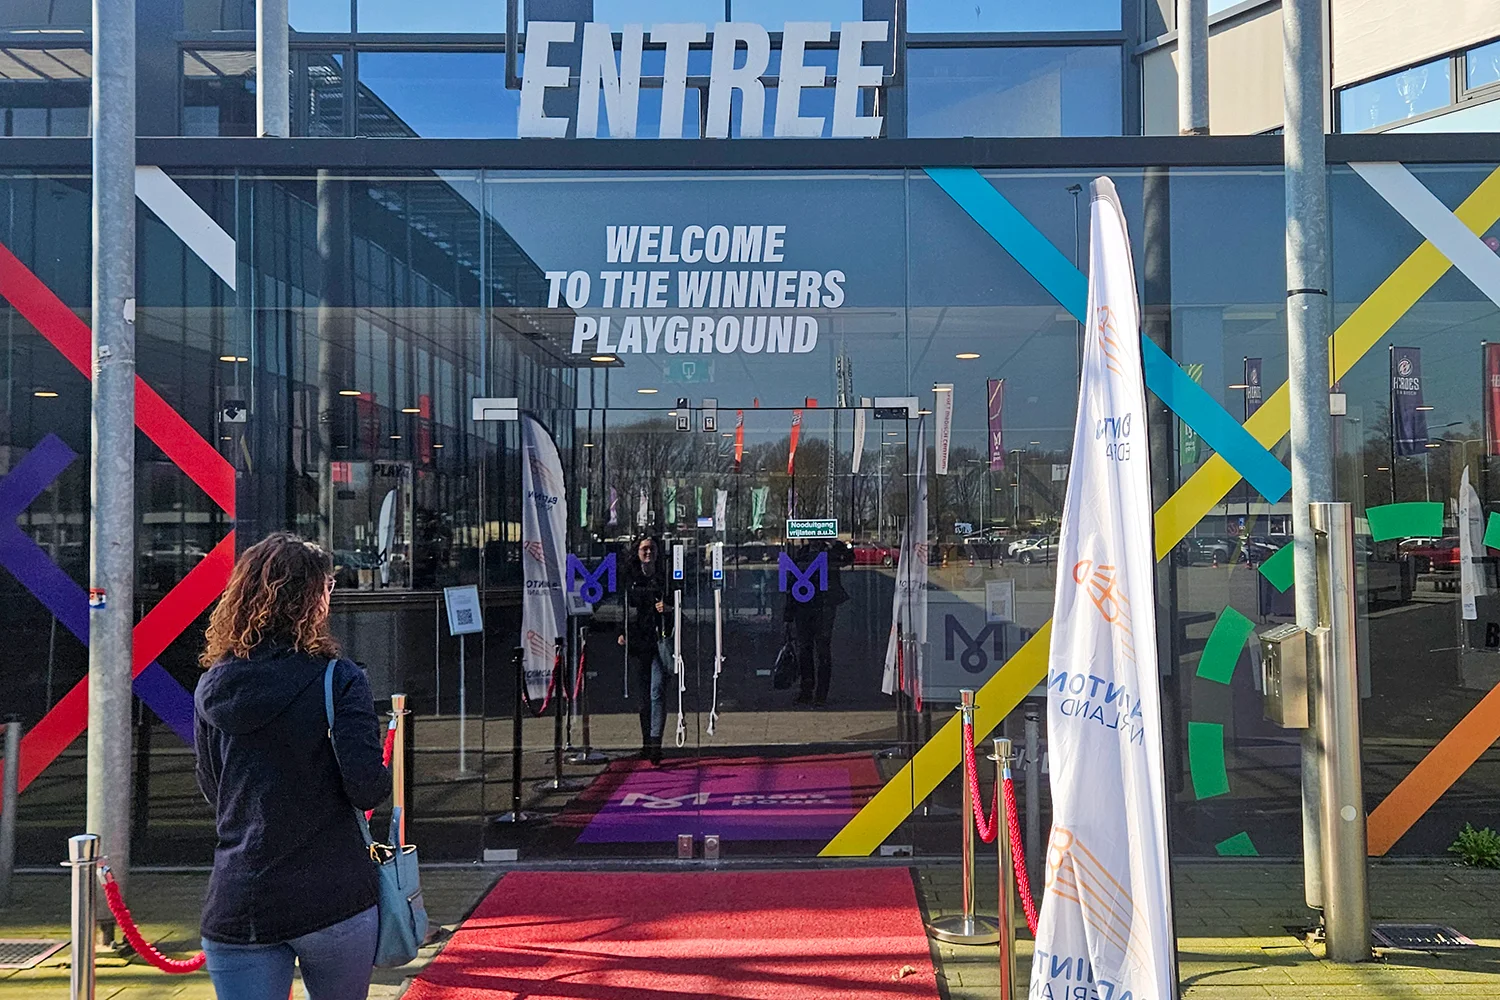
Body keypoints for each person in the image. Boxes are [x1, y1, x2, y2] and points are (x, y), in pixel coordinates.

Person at [194, 533, 390, 1000]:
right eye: (326, 590)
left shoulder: (213, 685)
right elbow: (366, 787)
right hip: (332, 895)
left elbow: (213, 789)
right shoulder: (338, 679)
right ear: (311, 601)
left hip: (240, 899)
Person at [617, 535, 674, 763]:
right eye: (644, 549)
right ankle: (646, 743)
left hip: (660, 640)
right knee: (643, 698)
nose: (648, 553)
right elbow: (624, 608)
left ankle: (655, 744)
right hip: (640, 642)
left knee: (657, 691)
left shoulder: (665, 577)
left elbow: (680, 605)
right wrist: (621, 632)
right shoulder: (631, 579)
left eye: (651, 549)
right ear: (637, 552)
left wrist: (668, 608)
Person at [783, 539, 851, 707]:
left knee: (822, 650)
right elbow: (791, 583)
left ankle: (820, 693)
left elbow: (848, 559)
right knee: (805, 650)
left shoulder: (830, 552)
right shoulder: (802, 553)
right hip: (804, 606)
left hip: (822, 606)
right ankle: (807, 690)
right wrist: (788, 614)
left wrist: (835, 543)